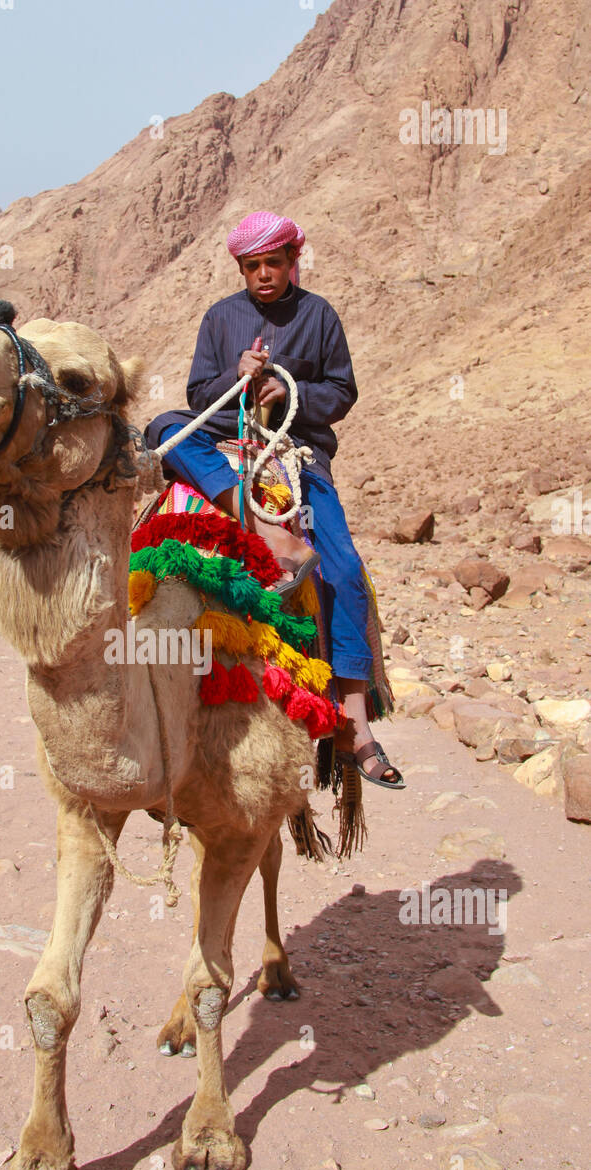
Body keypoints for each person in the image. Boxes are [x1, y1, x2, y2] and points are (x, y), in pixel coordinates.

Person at [144, 210, 403, 788]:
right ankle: (253, 520)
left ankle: (355, 726)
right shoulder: (220, 318)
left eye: (274, 263)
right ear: (242, 267)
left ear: (292, 262)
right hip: (228, 438)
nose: (264, 274)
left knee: (343, 571)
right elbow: (198, 395)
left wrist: (287, 388)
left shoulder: (319, 315)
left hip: (298, 449)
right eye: (252, 266)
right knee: (162, 427)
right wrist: (235, 377)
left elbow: (341, 392)